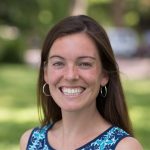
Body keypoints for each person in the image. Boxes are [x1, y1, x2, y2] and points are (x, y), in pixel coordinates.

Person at [20, 15, 143, 150]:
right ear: (46, 73)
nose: (71, 75)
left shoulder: (124, 147)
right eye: (59, 63)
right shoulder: (31, 142)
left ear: (104, 74)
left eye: (84, 64)